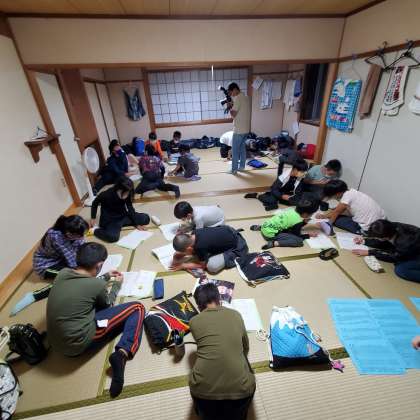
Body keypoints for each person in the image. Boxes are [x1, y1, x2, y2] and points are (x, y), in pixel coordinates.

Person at [47, 242, 145, 398]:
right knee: (137, 308)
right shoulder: (96, 284)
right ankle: (122, 354)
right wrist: (116, 285)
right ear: (99, 265)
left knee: (90, 304)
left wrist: (105, 277)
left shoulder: (63, 273)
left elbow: (83, 285)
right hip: (77, 343)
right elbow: (108, 304)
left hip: (55, 342)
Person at [189, 283, 255, 420]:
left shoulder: (194, 321)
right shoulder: (235, 315)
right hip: (242, 393)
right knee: (249, 375)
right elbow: (246, 346)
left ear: (199, 306)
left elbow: (202, 343)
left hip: (202, 394)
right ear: (219, 299)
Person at [10, 215, 89, 316]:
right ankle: (34, 296)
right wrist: (86, 271)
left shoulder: (72, 231)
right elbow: (72, 261)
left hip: (60, 258)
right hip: (45, 265)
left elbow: (82, 244)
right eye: (80, 235)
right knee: (71, 276)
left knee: (81, 270)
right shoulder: (57, 237)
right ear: (69, 234)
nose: (83, 237)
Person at [352, 219, 420, 283]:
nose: (375, 238)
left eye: (376, 237)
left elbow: (393, 257)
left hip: (416, 254)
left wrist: (370, 252)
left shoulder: (404, 242)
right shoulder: (390, 226)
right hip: (411, 248)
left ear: (384, 237)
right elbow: (381, 242)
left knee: (401, 270)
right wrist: (364, 241)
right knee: (388, 248)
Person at [91, 176, 150, 243]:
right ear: (119, 189)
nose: (127, 195)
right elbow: (95, 203)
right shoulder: (106, 194)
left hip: (123, 216)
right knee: (113, 237)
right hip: (111, 221)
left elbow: (130, 208)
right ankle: (95, 230)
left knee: (146, 218)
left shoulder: (127, 193)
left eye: (128, 193)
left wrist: (136, 224)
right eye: (126, 193)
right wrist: (93, 218)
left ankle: (123, 224)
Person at [171, 225, 248, 274]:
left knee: (211, 267)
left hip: (237, 244)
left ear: (189, 248)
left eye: (185, 251)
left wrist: (184, 265)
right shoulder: (194, 232)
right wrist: (180, 254)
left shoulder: (200, 247)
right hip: (228, 230)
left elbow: (202, 266)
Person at [320, 180, 385, 233]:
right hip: (381, 223)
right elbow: (340, 210)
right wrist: (325, 216)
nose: (333, 197)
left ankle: (360, 232)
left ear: (338, 193)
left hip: (367, 229)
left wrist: (327, 224)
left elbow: (336, 212)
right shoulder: (352, 192)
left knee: (336, 220)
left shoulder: (346, 197)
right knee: (338, 214)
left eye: (332, 196)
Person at [251, 199, 321, 249]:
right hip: (269, 236)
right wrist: (308, 235)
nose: (312, 215)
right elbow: (296, 235)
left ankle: (260, 227)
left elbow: (290, 224)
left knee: (280, 223)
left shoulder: (291, 210)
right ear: (305, 214)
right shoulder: (298, 221)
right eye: (312, 214)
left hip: (265, 226)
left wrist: (304, 222)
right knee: (298, 241)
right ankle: (274, 243)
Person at [244, 158, 309, 210]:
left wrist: (295, 196)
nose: (303, 173)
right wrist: (282, 196)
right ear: (295, 169)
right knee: (271, 200)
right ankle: (257, 195)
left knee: (297, 200)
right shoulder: (284, 176)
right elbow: (274, 189)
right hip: (279, 192)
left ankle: (275, 201)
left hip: (289, 192)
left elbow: (299, 190)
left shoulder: (301, 176)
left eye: (304, 172)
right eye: (302, 172)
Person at [227, 83, 251, 174]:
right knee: (242, 149)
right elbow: (241, 110)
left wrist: (229, 107)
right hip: (246, 129)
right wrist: (233, 105)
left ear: (235, 89)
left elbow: (233, 114)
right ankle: (242, 167)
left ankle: (234, 170)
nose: (231, 95)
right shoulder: (246, 97)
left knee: (235, 151)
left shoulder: (238, 98)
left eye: (231, 92)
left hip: (239, 130)